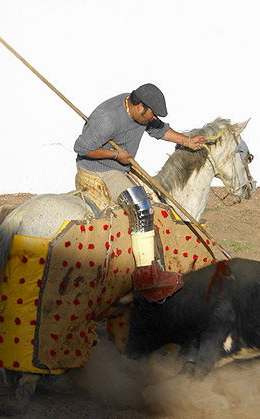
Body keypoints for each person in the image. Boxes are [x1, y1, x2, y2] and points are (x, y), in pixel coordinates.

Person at [73, 83, 206, 301]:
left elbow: (159, 129)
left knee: (156, 197)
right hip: (103, 170)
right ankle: (146, 278)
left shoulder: (140, 113)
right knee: (141, 207)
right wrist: (116, 157)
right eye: (152, 114)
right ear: (140, 106)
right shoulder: (108, 118)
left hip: (122, 165)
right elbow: (81, 148)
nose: (154, 118)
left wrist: (187, 141)